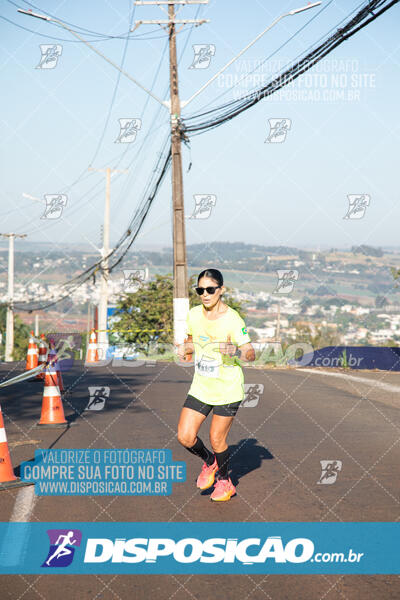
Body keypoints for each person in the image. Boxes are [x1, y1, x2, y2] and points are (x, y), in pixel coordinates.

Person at [177, 269, 255, 502]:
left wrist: (237, 351)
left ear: (220, 290)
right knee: (185, 437)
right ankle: (210, 462)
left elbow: (251, 353)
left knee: (216, 438)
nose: (205, 294)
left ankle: (224, 481)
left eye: (210, 289)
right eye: (200, 290)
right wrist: (186, 349)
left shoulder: (232, 319)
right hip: (201, 386)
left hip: (227, 389)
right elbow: (190, 340)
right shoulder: (193, 314)